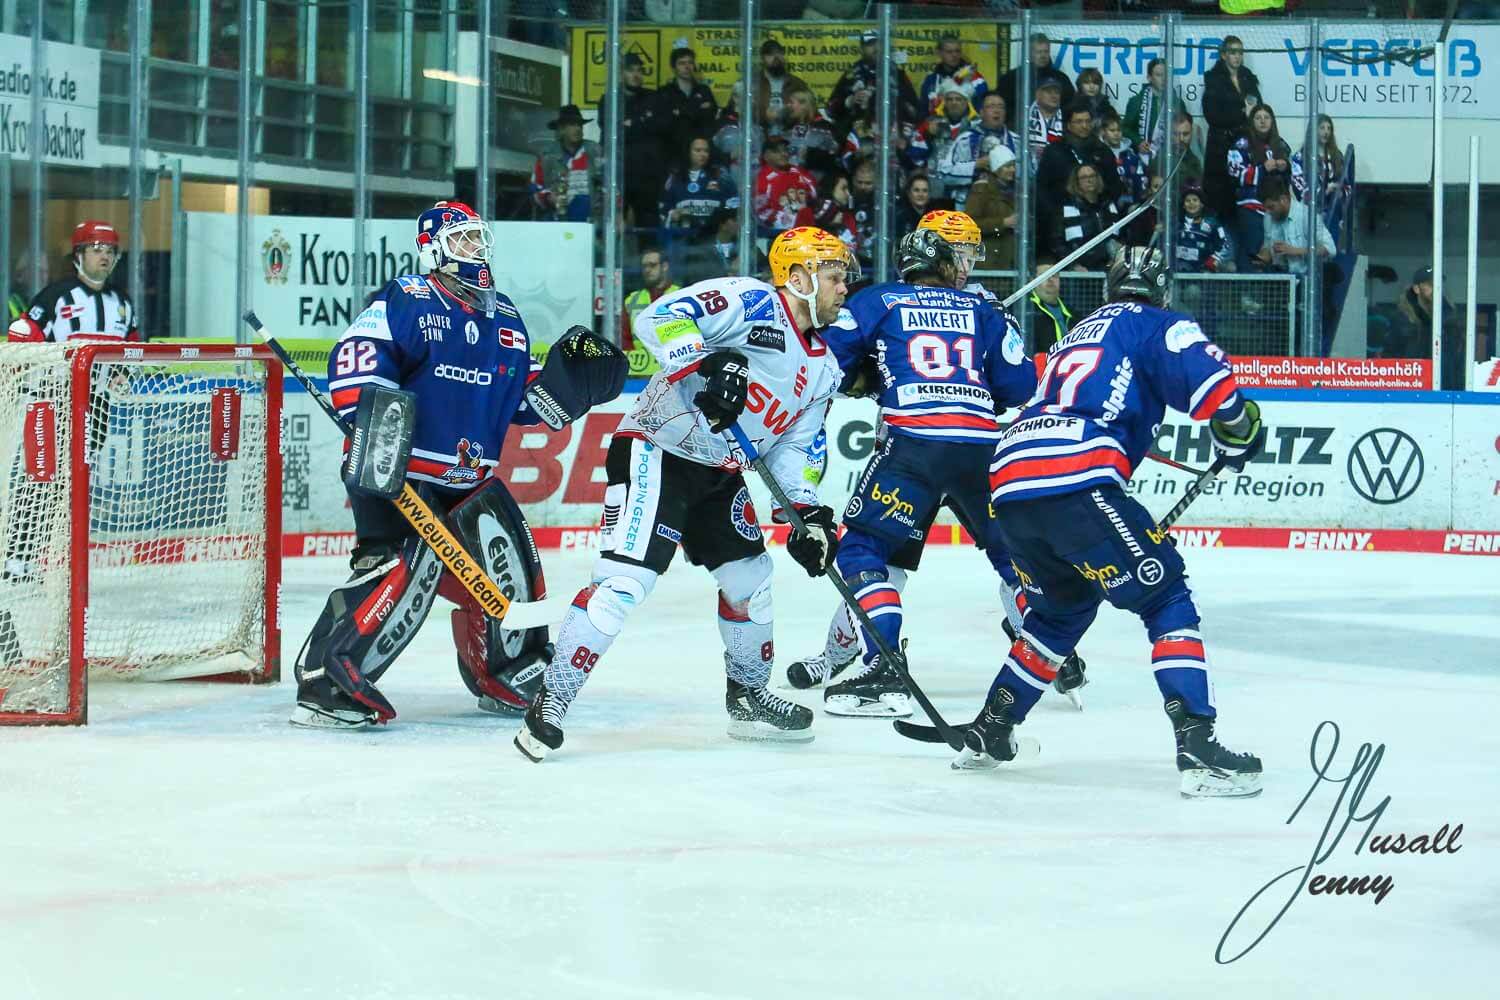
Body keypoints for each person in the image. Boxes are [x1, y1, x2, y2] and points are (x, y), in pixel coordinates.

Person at [514, 228, 859, 761]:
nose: (844, 289)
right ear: (798, 277)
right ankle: (551, 702)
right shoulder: (753, 301)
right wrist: (705, 363)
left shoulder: (825, 368)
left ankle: (746, 697)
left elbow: (790, 451)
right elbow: (659, 317)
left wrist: (806, 513)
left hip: (720, 472)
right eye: (835, 277)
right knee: (623, 584)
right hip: (659, 448)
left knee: (753, 582)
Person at [291, 201, 624, 729]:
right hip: (398, 471)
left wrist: (569, 387)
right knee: (400, 570)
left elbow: (516, 400)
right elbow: (358, 354)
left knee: (510, 561)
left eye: (479, 239)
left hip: (467, 481)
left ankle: (507, 666)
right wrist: (369, 414)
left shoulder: (506, 316)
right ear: (433, 249)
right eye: (464, 239)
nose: (478, 249)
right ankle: (327, 679)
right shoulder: (409, 298)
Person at [959, 246, 1266, 799]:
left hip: (1008, 481)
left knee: (1059, 613)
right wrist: (1241, 428)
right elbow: (1219, 391)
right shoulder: (1156, 324)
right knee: (1165, 597)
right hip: (1075, 473)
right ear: (1161, 289)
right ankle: (1198, 744)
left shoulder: (1076, 334)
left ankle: (991, 729)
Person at [812, 222, 1037, 716]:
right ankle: (1043, 652)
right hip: (982, 447)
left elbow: (827, 360)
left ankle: (884, 672)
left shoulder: (880, 300)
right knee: (1011, 555)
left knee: (863, 550)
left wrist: (869, 376)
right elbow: (1022, 385)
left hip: (914, 446)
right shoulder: (983, 308)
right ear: (945, 269)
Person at [8, 220, 137, 343]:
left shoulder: (123, 301)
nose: (105, 257)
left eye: (110, 251)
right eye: (97, 250)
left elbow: (134, 353)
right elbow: (24, 344)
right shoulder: (53, 296)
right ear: (79, 255)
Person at [660, 135, 740, 284]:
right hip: (683, 238)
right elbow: (664, 209)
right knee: (681, 280)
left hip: (712, 239)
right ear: (688, 152)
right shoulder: (676, 177)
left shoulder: (720, 176)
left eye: (706, 151)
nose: (703, 154)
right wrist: (674, 214)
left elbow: (734, 204)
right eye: (698, 150)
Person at [1202, 36, 1262, 223]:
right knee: (1220, 198)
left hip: (1245, 144)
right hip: (1221, 146)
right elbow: (1212, 115)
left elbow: (1258, 106)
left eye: (1240, 52)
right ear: (1223, 55)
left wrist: (1247, 113)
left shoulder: (1248, 78)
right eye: (1233, 52)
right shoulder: (1214, 79)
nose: (1237, 57)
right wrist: (1242, 113)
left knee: (1244, 197)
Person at [1227, 104, 1294, 272]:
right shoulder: (1241, 145)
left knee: (1273, 252)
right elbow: (1235, 174)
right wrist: (1263, 168)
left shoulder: (1282, 145)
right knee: (1251, 249)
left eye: (1266, 118)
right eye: (1258, 118)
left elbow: (1292, 178)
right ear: (1252, 121)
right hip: (1250, 207)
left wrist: (1285, 167)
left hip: (1275, 209)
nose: (1263, 121)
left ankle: (1266, 297)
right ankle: (1246, 294)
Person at [599, 53, 659, 230]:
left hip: (646, 174)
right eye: (631, 70)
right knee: (613, 228)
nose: (636, 75)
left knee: (648, 229)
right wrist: (642, 121)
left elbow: (659, 127)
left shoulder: (653, 97)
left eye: (640, 71)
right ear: (621, 72)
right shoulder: (610, 98)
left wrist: (630, 123)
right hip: (619, 173)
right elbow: (610, 128)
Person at [1036, 100, 1120, 224]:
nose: (1084, 126)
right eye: (1079, 121)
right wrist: (1054, 214)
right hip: (1062, 219)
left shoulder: (1102, 151)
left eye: (1087, 121)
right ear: (1068, 125)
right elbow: (1042, 188)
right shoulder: (1054, 151)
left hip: (1098, 218)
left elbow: (1114, 185)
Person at [827, 29, 922, 135]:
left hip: (892, 135)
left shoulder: (896, 73)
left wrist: (896, 100)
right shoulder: (852, 75)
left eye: (880, 43)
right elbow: (830, 110)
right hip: (859, 137)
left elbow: (915, 110)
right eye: (871, 45)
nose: (876, 48)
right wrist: (850, 100)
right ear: (862, 49)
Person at [650, 46, 718, 176]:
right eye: (682, 63)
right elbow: (665, 122)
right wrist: (697, 109)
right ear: (673, 67)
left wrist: (681, 112)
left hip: (700, 153)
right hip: (673, 152)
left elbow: (711, 115)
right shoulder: (665, 92)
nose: (687, 67)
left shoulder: (704, 90)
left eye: (690, 62)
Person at [529, 105, 602, 225]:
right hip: (558, 224)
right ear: (561, 129)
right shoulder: (547, 156)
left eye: (580, 125)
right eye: (572, 125)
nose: (578, 129)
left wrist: (617, 213)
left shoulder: (595, 151)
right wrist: (549, 197)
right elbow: (535, 188)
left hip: (592, 224)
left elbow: (610, 185)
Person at [1050, 164, 1121, 271]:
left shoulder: (1108, 205)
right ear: (1076, 182)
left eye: (1092, 176)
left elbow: (1120, 237)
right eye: (1084, 177)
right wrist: (1073, 265)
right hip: (1080, 271)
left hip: (1109, 267)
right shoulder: (1066, 207)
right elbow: (1057, 242)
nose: (1089, 180)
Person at [997, 33, 1075, 129]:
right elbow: (1002, 106)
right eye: (1038, 52)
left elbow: (1071, 107)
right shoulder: (1011, 78)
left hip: (1053, 132)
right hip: (1019, 132)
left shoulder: (1061, 79)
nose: (1043, 55)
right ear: (1029, 53)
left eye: (1046, 52)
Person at [964, 144, 1019, 271]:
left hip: (1009, 259)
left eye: (1013, 165)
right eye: (1007, 166)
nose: (1012, 170)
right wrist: (1003, 223)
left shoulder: (1017, 191)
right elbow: (971, 224)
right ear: (996, 168)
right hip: (988, 260)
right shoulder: (982, 189)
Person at [754, 135, 818, 236]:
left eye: (785, 150)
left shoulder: (799, 172)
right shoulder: (762, 179)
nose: (783, 154)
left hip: (808, 224)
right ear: (766, 156)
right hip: (779, 232)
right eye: (777, 151)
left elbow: (815, 195)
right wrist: (792, 220)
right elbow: (763, 213)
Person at [622, 248, 681, 351]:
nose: (647, 270)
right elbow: (625, 339)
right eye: (644, 266)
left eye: (652, 265)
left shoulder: (681, 296)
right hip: (641, 364)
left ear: (664, 266)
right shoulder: (631, 301)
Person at [919, 33, 988, 118]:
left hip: (969, 128)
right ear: (939, 53)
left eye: (957, 51)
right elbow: (923, 111)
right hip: (939, 128)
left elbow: (984, 108)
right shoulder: (930, 81)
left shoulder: (975, 78)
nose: (954, 55)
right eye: (949, 52)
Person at [778, 86, 839, 177]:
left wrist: (810, 154)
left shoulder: (825, 128)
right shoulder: (785, 127)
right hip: (788, 180)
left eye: (791, 102)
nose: (788, 106)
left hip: (816, 180)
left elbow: (834, 155)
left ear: (804, 105)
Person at [756, 37, 812, 134]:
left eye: (779, 53)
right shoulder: (752, 83)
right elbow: (738, 112)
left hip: (791, 136)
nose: (776, 57)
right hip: (760, 137)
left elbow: (810, 112)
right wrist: (763, 115)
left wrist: (790, 113)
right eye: (770, 54)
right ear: (762, 59)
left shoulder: (797, 84)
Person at [1176, 184, 1234, 274]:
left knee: (1231, 267)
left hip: (1203, 270)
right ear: (1183, 205)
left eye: (1195, 200)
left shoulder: (1212, 224)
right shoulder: (1176, 224)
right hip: (1178, 269)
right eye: (1188, 201)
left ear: (1201, 204)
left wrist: (1213, 260)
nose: (1191, 203)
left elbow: (1225, 245)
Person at [794, 170, 859, 251]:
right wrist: (828, 226)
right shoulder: (806, 213)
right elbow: (799, 244)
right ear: (831, 188)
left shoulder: (848, 217)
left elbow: (853, 246)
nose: (848, 194)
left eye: (848, 189)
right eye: (843, 189)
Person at [1292, 113, 1347, 205]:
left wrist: (1340, 191)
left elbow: (1346, 184)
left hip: (1334, 210)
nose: (1326, 132)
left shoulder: (1338, 156)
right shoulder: (1300, 157)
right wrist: (1324, 193)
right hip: (1311, 211)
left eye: (1329, 128)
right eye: (1322, 128)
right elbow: (1300, 190)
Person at [1123, 58, 1169, 163]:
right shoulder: (1136, 101)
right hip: (1141, 158)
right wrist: (1138, 142)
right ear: (1149, 78)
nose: (1164, 79)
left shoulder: (1177, 103)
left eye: (1166, 75)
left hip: (1167, 159)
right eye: (1159, 75)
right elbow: (1125, 128)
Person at [1100, 113, 1146, 213]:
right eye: (1112, 130)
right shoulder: (1099, 154)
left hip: (1131, 207)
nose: (1116, 134)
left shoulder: (1131, 154)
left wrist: (1138, 203)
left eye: (1119, 130)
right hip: (1107, 207)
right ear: (1103, 132)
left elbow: (1140, 179)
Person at [1156, 112, 1204, 188]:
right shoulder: (1160, 161)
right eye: (1176, 134)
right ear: (1169, 134)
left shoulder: (1195, 161)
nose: (1181, 139)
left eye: (1185, 134)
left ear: (1191, 133)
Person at [1025, 78, 1065, 167]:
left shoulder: (1066, 118)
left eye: (1057, 92)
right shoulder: (1024, 118)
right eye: (1049, 92)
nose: (1054, 96)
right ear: (1037, 94)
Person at [969, 92, 1020, 158]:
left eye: (1001, 107)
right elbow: (952, 167)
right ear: (981, 112)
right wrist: (975, 164)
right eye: (991, 106)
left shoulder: (1017, 142)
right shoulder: (965, 140)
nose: (997, 111)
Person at [895, 173, 934, 240]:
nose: (921, 194)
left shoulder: (935, 217)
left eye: (925, 191)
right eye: (916, 190)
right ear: (909, 193)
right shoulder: (899, 218)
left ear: (929, 194)